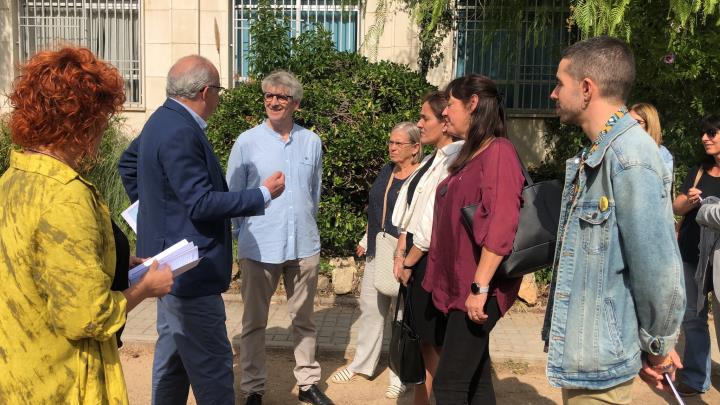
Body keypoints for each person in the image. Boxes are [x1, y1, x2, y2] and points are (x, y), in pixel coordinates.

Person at [0, 47, 174, 404]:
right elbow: (87, 318)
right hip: (63, 381)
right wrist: (146, 288)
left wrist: (113, 263)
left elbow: (38, 262)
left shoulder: (14, 177)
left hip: (20, 367)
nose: (103, 129)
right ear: (81, 121)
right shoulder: (66, 195)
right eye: (103, 117)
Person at [118, 55, 285, 405]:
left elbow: (128, 164)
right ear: (207, 91)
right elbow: (201, 203)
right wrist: (262, 194)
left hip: (167, 266)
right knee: (212, 368)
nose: (219, 99)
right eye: (219, 91)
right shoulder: (180, 130)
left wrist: (156, 214)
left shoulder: (161, 120)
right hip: (190, 270)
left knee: (173, 361)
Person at [543, 36, 685, 404]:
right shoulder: (598, 154)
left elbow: (658, 268)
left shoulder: (632, 157)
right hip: (587, 353)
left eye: (560, 83)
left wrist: (658, 346)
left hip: (602, 363)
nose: (553, 94)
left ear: (587, 88)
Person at [226, 70, 332, 405]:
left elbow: (313, 193)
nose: (273, 101)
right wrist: (239, 236)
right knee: (254, 322)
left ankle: (307, 384)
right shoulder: (246, 142)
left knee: (304, 320)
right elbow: (233, 194)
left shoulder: (311, 142)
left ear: (295, 104)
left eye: (281, 97)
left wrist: (306, 224)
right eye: (269, 95)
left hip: (303, 245)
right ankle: (254, 388)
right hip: (259, 245)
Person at [420, 74, 524, 403]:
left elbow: (502, 224)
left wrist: (479, 289)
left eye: (450, 104)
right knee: (477, 379)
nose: (445, 112)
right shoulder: (471, 155)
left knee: (449, 384)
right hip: (460, 287)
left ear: (473, 104)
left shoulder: (499, 152)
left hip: (478, 290)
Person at [330, 122, 422, 399]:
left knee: (401, 316)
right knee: (371, 308)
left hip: (405, 254)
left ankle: (399, 373)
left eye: (399, 144)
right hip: (378, 249)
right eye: (391, 142)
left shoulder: (421, 177)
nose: (392, 148)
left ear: (415, 148)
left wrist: (406, 256)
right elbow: (377, 208)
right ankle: (362, 364)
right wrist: (364, 237)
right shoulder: (387, 170)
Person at [391, 91, 463, 405]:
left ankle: (438, 399)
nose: (419, 124)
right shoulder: (435, 159)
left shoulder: (453, 161)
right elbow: (411, 211)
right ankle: (423, 398)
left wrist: (408, 260)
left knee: (432, 342)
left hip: (428, 261)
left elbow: (431, 221)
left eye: (425, 118)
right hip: (415, 257)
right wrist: (400, 252)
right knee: (423, 339)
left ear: (445, 123)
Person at [671, 114, 720, 397]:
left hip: (719, 262)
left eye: (712, 132)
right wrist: (688, 201)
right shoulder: (699, 170)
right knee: (692, 317)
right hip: (691, 256)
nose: (705, 138)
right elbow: (677, 207)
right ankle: (695, 377)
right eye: (704, 133)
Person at [629, 102, 673, 175]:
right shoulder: (618, 149)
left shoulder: (663, 154)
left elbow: (664, 185)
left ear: (650, 124)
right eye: (629, 121)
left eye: (638, 122)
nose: (631, 125)